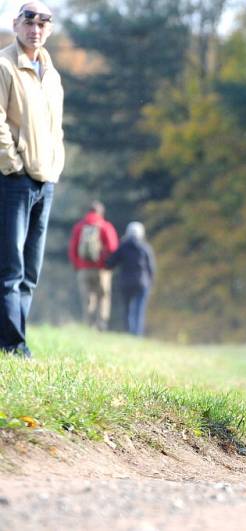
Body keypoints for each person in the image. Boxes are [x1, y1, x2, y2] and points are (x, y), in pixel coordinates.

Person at [0, 2, 64, 358]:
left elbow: (57, 129)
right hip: (14, 181)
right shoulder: (4, 65)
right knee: (10, 269)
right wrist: (12, 164)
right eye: (29, 20)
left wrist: (56, 164)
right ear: (16, 24)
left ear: (49, 29)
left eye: (43, 22)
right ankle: (13, 346)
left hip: (46, 181)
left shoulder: (51, 73)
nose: (35, 27)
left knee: (30, 272)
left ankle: (14, 339)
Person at [68, 201, 119, 331]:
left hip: (83, 268)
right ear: (101, 213)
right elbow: (113, 248)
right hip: (102, 269)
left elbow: (73, 248)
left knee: (88, 297)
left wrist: (76, 265)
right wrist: (109, 264)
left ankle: (89, 323)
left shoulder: (79, 227)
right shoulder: (105, 226)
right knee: (103, 296)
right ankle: (101, 323)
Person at [105, 222, 155, 336]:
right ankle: (137, 334)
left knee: (128, 309)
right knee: (139, 310)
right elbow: (151, 268)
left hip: (126, 282)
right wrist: (150, 282)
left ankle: (129, 332)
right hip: (142, 283)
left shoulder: (123, 247)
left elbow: (110, 263)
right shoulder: (145, 248)